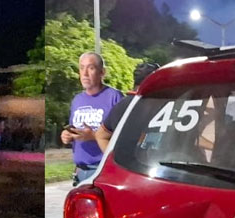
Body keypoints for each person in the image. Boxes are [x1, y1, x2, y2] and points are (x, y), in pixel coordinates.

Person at [61, 52, 123, 184]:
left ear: (102, 72)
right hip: (80, 171)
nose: (84, 74)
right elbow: (76, 131)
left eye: (91, 68)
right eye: (81, 68)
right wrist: (68, 135)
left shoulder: (115, 97)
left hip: (103, 170)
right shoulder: (77, 100)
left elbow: (124, 138)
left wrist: (94, 136)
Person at [95, 62, 160, 153]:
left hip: (125, 165)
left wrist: (112, 158)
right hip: (152, 164)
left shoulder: (121, 105)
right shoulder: (158, 104)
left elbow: (101, 135)